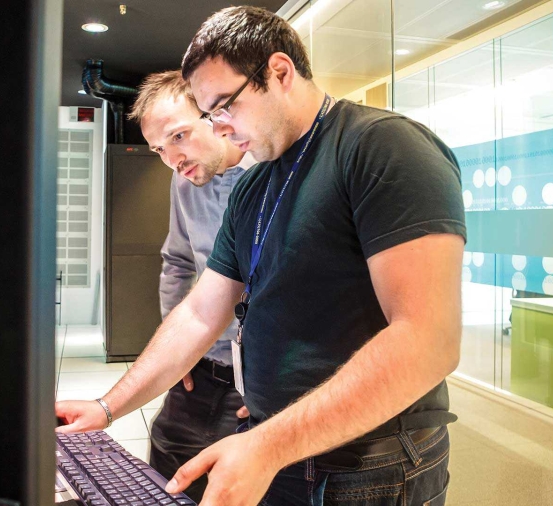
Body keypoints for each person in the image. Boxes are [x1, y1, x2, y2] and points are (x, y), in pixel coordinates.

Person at [57, 6, 466, 505]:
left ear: (279, 72)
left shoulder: (383, 146)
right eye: (210, 116)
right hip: (284, 447)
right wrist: (108, 406)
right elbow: (202, 311)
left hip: (368, 465)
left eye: (224, 106)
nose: (221, 128)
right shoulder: (255, 186)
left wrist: (269, 445)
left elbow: (429, 339)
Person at [124, 70, 256, 502]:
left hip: (255, 381)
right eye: (160, 148)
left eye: (179, 136)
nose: (171, 158)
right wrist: (178, 355)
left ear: (215, 116)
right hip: (200, 369)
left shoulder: (273, 176)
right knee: (162, 473)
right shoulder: (184, 181)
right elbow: (177, 262)